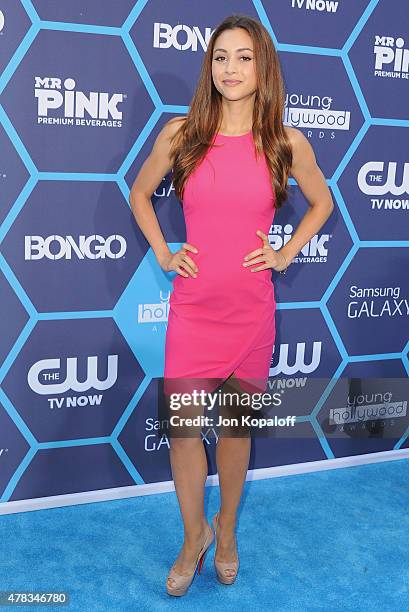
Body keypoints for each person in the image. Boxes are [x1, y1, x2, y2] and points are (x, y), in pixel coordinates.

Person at [129, 14, 334, 597]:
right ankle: (193, 536)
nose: (231, 69)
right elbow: (140, 192)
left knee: (237, 432)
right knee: (185, 431)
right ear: (208, 66)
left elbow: (321, 202)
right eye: (221, 57)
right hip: (193, 309)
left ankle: (226, 536)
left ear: (262, 66)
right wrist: (165, 255)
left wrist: (285, 252)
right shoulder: (182, 132)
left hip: (250, 313)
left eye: (244, 57)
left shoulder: (285, 142)